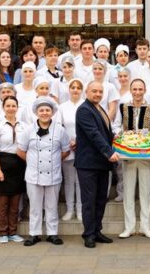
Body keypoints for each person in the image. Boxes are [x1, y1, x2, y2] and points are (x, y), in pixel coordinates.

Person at [17, 97, 70, 246]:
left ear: (52, 112)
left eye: (47, 110)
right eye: (41, 110)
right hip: (33, 175)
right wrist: (32, 162)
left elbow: (66, 151)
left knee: (52, 205)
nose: (45, 113)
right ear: (36, 112)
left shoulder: (60, 130)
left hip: (53, 174)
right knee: (35, 206)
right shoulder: (29, 130)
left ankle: (52, 234)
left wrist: (54, 161)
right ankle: (34, 234)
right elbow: (20, 151)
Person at [112, 79, 150, 239]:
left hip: (146, 155)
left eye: (140, 89)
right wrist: (120, 134)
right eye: (135, 89)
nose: (137, 92)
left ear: (144, 90)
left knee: (146, 192)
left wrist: (149, 135)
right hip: (128, 155)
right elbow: (116, 126)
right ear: (131, 90)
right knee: (128, 192)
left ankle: (146, 227)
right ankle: (129, 227)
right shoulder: (123, 107)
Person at [75, 81, 119, 249]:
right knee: (89, 201)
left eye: (100, 92)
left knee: (101, 199)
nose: (98, 94)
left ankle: (97, 231)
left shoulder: (99, 108)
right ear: (86, 92)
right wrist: (109, 152)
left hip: (101, 163)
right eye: (94, 91)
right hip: (88, 164)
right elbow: (94, 134)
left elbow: (104, 133)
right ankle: (88, 234)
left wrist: (116, 139)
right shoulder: (84, 110)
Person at [0, 96, 27, 243]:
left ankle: (13, 232)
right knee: (3, 203)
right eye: (8, 106)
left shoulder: (24, 126)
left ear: (17, 107)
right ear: (3, 108)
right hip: (3, 163)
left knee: (15, 203)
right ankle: (3, 233)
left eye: (13, 106)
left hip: (19, 165)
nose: (11, 108)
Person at [58, 78, 84, 222]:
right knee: (68, 180)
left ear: (82, 90)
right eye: (73, 87)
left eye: (78, 87)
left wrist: (79, 141)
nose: (75, 90)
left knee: (80, 180)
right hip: (67, 146)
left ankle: (80, 210)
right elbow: (59, 126)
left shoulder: (86, 105)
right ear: (69, 90)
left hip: (83, 147)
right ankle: (69, 209)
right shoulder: (62, 107)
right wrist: (68, 142)